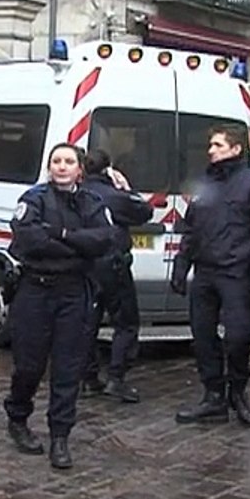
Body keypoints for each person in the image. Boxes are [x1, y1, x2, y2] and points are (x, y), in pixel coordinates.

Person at [3, 142, 116, 470]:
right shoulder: (34, 199)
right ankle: (18, 417)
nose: (62, 166)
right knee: (29, 365)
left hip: (74, 292)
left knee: (68, 368)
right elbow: (29, 240)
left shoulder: (92, 203)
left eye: (69, 161)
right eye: (56, 161)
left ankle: (60, 437)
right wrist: (78, 245)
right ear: (49, 167)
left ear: (80, 169)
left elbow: (104, 240)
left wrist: (62, 234)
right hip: (34, 291)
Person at [170, 123, 250, 428]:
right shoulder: (205, 184)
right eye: (210, 145)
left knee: (237, 339)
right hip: (205, 273)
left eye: (218, 145)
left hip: (236, 274)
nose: (211, 151)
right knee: (203, 337)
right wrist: (181, 266)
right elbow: (192, 229)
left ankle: (238, 393)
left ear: (236, 149)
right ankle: (213, 396)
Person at [80, 149, 154, 403]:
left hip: (85, 266)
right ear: (107, 169)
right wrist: (125, 187)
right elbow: (144, 211)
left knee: (87, 323)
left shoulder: (77, 194)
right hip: (113, 266)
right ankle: (116, 378)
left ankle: (87, 378)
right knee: (125, 323)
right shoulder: (115, 196)